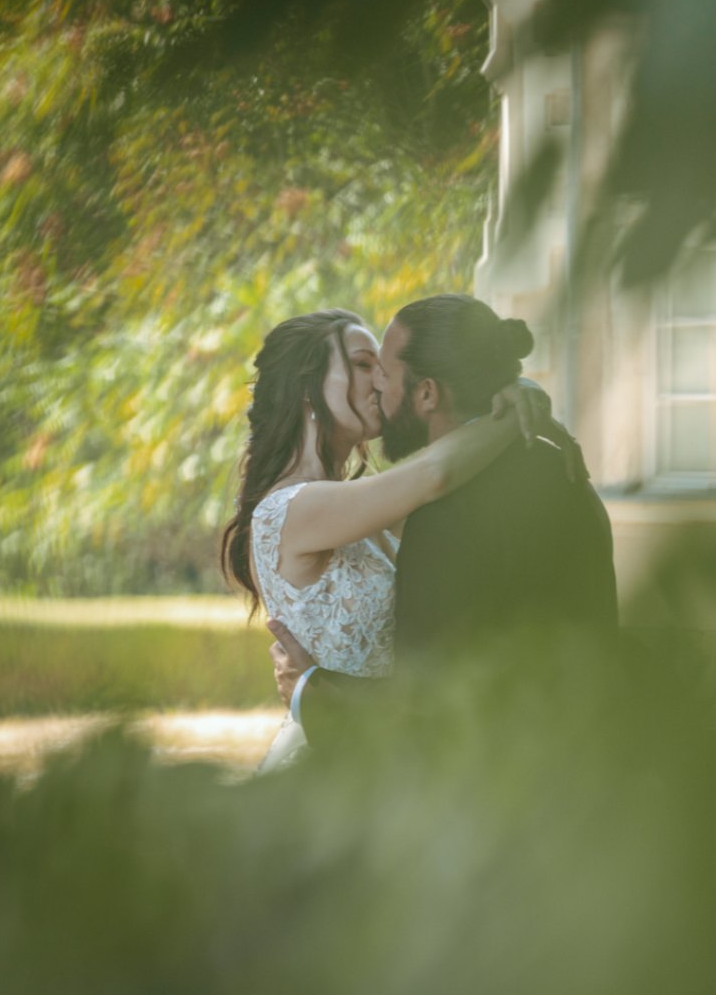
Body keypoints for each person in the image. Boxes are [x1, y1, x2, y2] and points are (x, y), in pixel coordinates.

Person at [220, 307, 564, 772]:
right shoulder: (290, 511)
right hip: (338, 755)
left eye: (382, 368)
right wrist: (518, 403)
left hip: (398, 743)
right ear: (306, 386)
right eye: (363, 365)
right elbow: (436, 474)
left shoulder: (362, 512)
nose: (380, 382)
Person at [268, 294, 618, 748]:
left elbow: (431, 701)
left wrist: (312, 687)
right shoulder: (569, 475)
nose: (376, 386)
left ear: (427, 393)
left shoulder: (445, 518)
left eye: (385, 375)